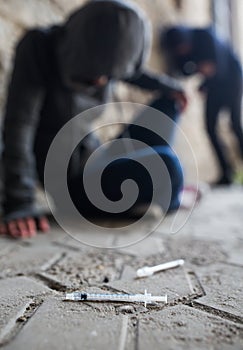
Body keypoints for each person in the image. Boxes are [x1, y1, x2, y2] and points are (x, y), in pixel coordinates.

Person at [0, 0, 187, 238]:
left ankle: (161, 193)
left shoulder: (109, 64)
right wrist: (19, 204)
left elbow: (135, 73)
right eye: (95, 75)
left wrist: (171, 87)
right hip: (74, 184)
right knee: (168, 166)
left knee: (169, 103)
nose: (101, 82)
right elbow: (19, 126)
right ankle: (164, 195)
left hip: (99, 156)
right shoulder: (39, 48)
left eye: (109, 76)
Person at [161, 26, 243, 185]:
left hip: (233, 80)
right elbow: (189, 70)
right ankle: (227, 173)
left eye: (184, 47)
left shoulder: (205, 36)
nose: (183, 51)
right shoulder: (182, 49)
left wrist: (204, 75)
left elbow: (217, 67)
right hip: (214, 86)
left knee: (235, 124)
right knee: (210, 127)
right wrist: (202, 72)